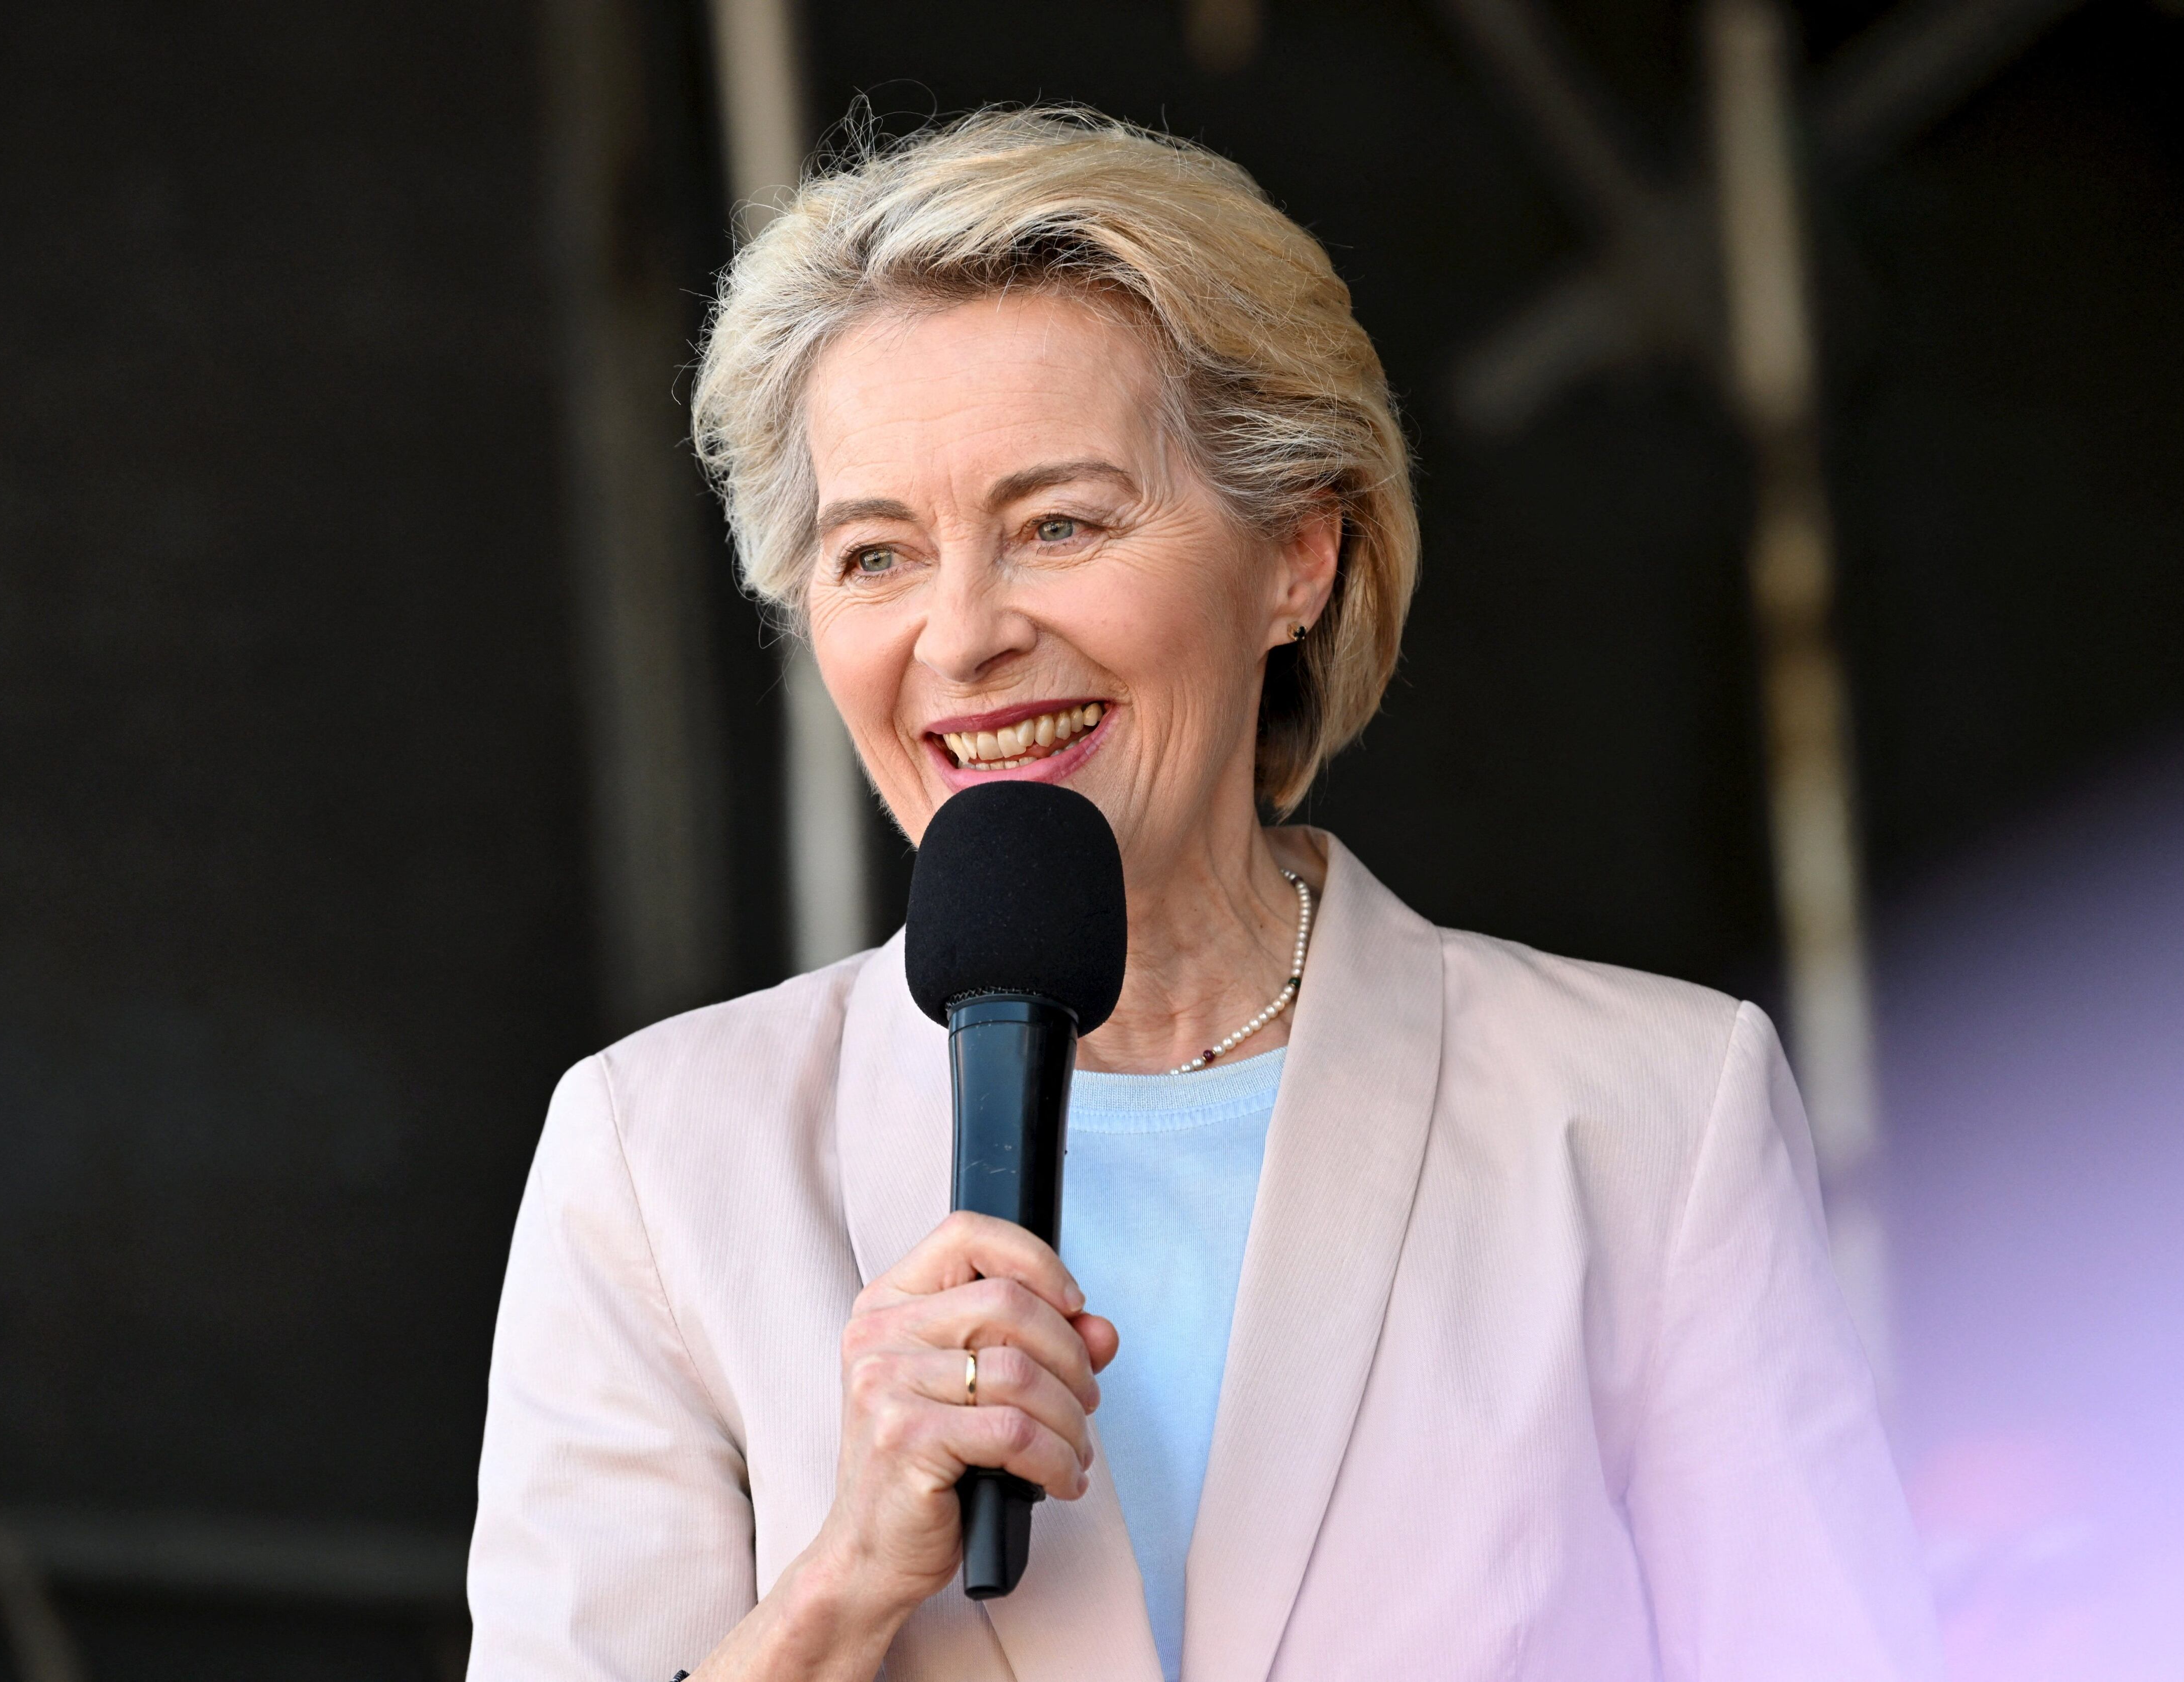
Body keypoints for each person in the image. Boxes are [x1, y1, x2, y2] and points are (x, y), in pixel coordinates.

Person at [467, 108, 1938, 1682]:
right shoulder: (659, 1157)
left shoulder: (1648, 1113)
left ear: (1298, 551)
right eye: (877, 555)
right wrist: (840, 1582)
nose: (962, 637)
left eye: (1060, 525)